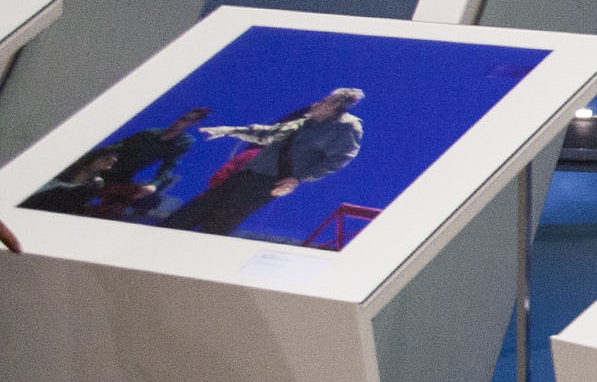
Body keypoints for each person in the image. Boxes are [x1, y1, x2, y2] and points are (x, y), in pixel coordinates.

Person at [162, 89, 365, 238]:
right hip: (247, 173)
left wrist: (297, 179)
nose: (315, 105)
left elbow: (340, 159)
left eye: (324, 102)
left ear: (334, 108)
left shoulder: (347, 127)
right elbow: (267, 133)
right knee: (191, 212)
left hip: (270, 182)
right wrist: (229, 130)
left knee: (218, 224)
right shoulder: (304, 122)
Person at [88, 106, 210, 220]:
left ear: (194, 123)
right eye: (183, 118)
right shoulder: (149, 133)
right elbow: (117, 146)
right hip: (103, 171)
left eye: (188, 120)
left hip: (121, 179)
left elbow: (169, 166)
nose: (180, 122)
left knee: (137, 199)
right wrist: (94, 161)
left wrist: (154, 184)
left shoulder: (183, 141)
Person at [22, 150, 116, 214]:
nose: (107, 165)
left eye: (110, 163)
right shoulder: (63, 170)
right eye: (106, 160)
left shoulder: (95, 184)